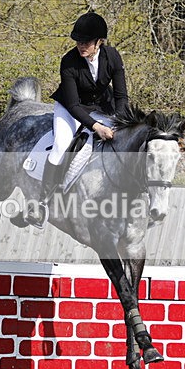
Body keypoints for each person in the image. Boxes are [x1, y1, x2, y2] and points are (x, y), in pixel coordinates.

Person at [27, 12, 130, 228]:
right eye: (78, 41)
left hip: (102, 106)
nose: (81, 45)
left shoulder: (112, 56)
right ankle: (42, 204)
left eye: (86, 42)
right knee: (61, 145)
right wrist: (96, 127)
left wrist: (121, 122)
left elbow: (121, 96)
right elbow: (73, 105)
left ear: (98, 42)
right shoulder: (69, 61)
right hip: (69, 108)